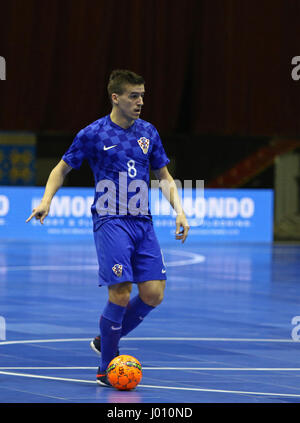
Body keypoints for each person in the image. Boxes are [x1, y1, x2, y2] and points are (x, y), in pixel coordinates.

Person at [26, 69, 189, 386]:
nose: (140, 101)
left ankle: (106, 337)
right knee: (120, 292)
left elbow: (164, 176)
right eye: (134, 95)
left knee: (154, 294)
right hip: (110, 218)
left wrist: (179, 211)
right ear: (116, 97)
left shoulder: (149, 133)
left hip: (143, 221)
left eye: (142, 95)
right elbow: (61, 169)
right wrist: (46, 200)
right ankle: (105, 369)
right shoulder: (93, 134)